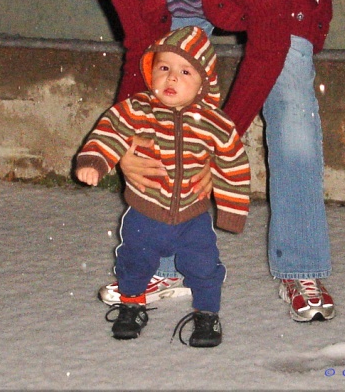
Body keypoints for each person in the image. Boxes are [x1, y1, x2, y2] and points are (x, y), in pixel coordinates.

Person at [95, 0, 335, 322]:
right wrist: (129, 137)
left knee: (292, 109)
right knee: (164, 114)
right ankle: (164, 265)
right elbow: (141, 50)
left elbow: (267, 51)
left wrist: (214, 144)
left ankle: (301, 266)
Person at [76, 26, 250, 346]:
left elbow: (233, 163)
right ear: (151, 71)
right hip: (145, 212)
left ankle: (207, 315)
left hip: (193, 217)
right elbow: (110, 130)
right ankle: (131, 306)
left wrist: (232, 210)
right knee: (133, 261)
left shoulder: (215, 122)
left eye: (185, 71)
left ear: (204, 83)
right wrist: (95, 161)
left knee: (204, 267)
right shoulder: (138, 109)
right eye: (164, 68)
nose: (172, 78)